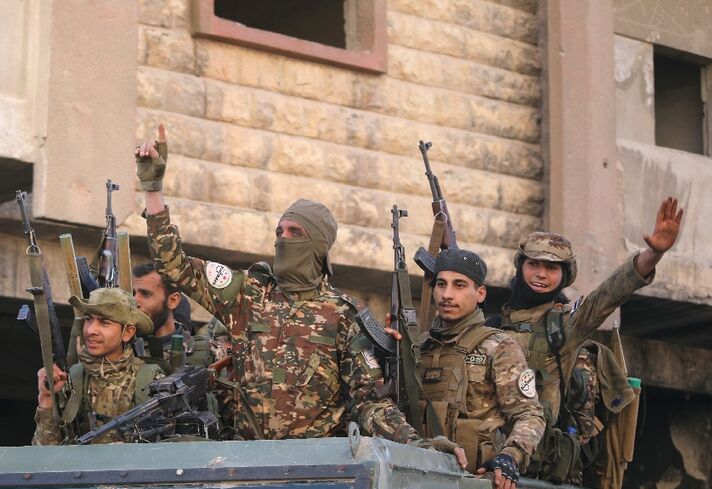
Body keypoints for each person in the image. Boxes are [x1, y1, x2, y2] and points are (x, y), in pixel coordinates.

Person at [136, 123, 464, 466]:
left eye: (295, 232)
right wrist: (153, 190)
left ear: (318, 245)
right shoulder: (248, 295)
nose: (282, 238)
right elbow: (175, 267)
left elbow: (369, 403)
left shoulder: (344, 315)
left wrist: (420, 445)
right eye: (279, 231)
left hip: (314, 474)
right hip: (246, 467)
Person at [487, 198, 684, 449]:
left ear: (564, 276)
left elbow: (609, 294)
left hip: (534, 456)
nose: (541, 274)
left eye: (551, 268)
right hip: (487, 453)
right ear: (520, 267)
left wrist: (654, 254)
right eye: (533, 264)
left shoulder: (565, 325)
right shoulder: (491, 326)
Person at [409, 247, 546, 489]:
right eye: (441, 284)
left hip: (476, 487)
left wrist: (510, 456)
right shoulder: (418, 347)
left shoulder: (499, 347)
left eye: (459, 285)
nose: (447, 294)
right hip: (419, 483)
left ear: (480, 293)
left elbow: (530, 416)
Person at [32, 287, 163, 445]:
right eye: (88, 319)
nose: (91, 330)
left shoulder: (148, 380)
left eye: (105, 322)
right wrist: (46, 400)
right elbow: (46, 458)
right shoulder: (73, 378)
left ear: (127, 332)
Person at [132, 262, 212, 370]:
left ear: (172, 300)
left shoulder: (204, 353)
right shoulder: (126, 349)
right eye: (133, 293)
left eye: (146, 294)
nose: (135, 301)